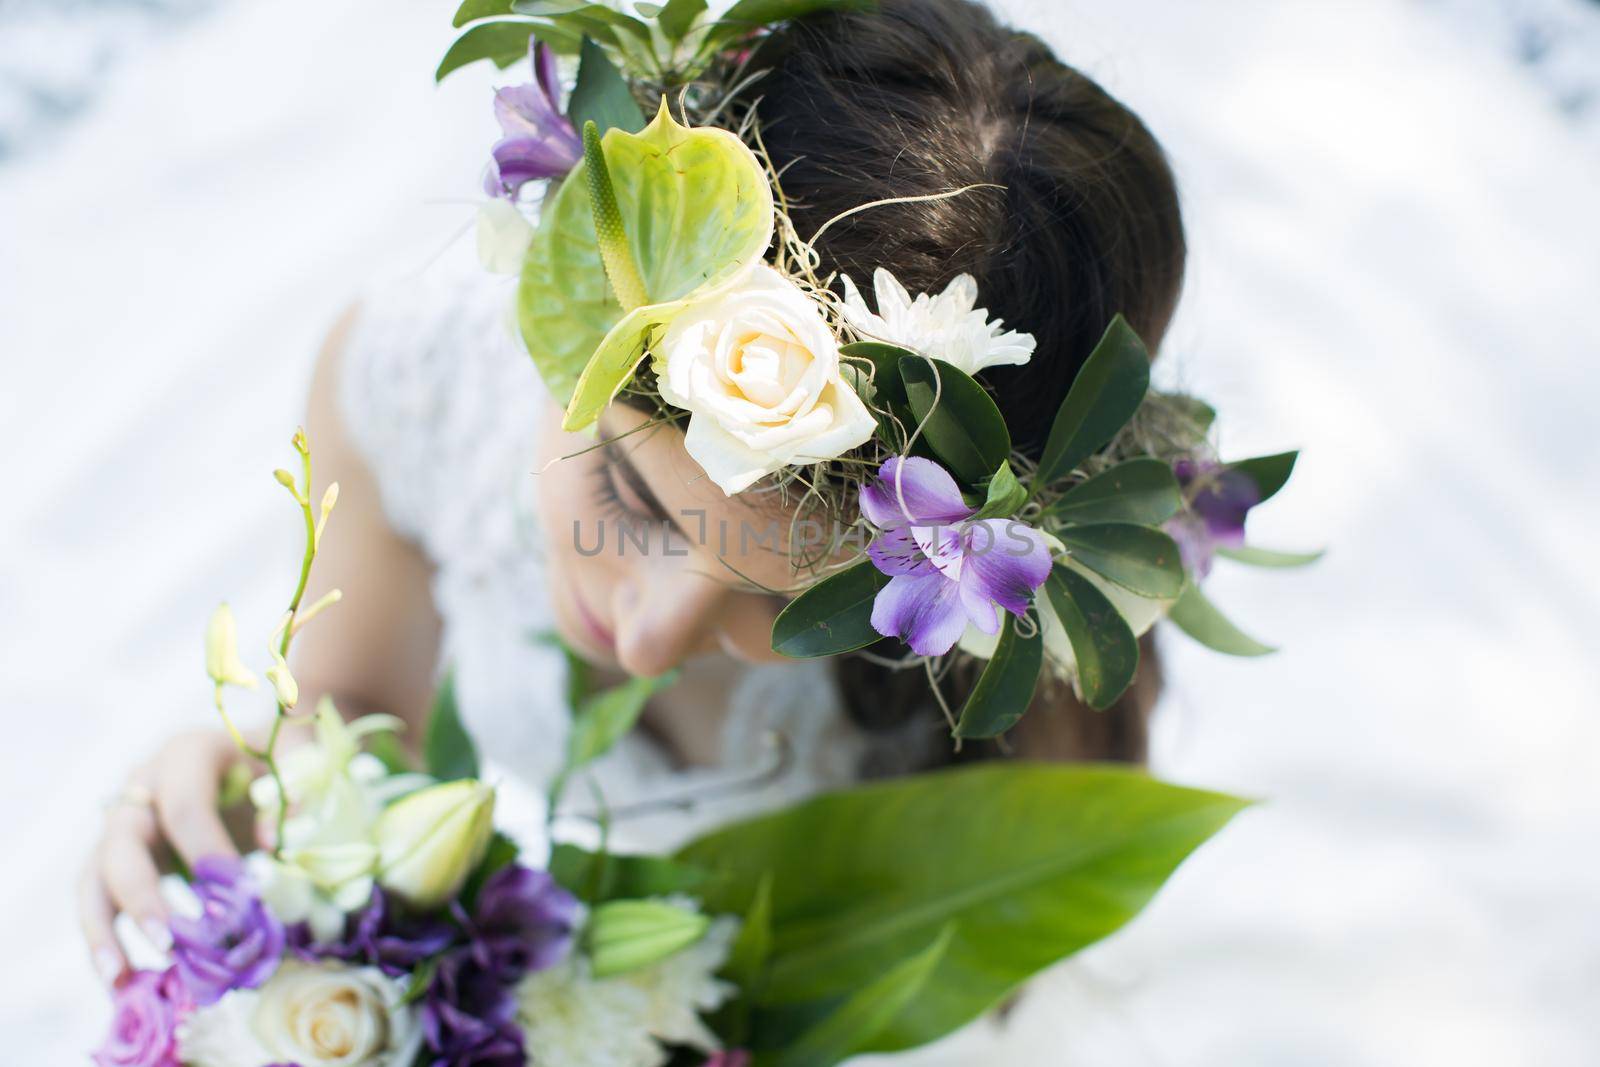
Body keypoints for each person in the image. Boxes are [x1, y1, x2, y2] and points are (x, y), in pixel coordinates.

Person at [80, 0, 1185, 1049]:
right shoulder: (407, 387)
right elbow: (359, 705)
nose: (649, 631)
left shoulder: (1006, 637)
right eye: (628, 494)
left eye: (781, 602)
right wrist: (246, 775)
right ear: (575, 314)